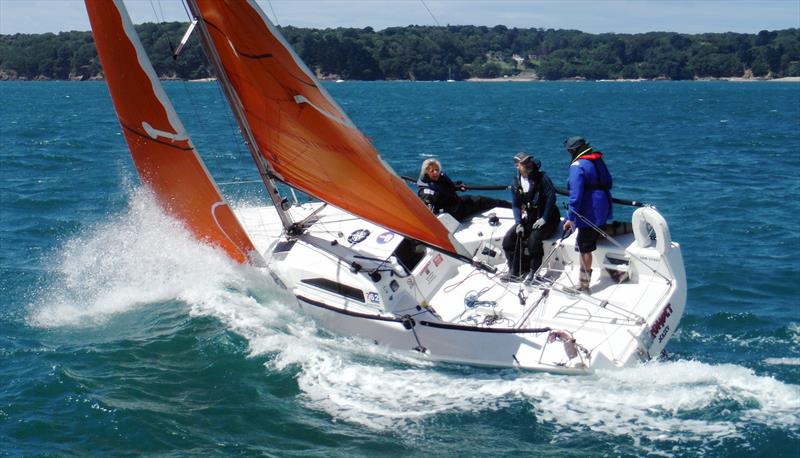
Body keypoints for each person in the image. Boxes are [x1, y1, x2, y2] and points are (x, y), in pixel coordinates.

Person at [562, 136, 613, 292]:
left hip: (589, 211)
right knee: (594, 235)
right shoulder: (597, 160)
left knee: (584, 246)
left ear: (572, 150)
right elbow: (609, 182)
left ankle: (583, 285)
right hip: (603, 205)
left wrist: (570, 218)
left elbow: (575, 196)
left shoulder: (577, 166)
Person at [501, 152, 560, 283]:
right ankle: (515, 271)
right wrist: (518, 223)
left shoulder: (542, 178)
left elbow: (552, 198)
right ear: (517, 166)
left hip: (549, 217)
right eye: (524, 163)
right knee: (509, 240)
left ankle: (534, 272)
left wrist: (544, 218)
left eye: (529, 161)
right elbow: (516, 205)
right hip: (531, 217)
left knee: (534, 240)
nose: (528, 164)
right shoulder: (516, 183)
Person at [417, 158, 510, 221]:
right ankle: (512, 206)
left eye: (437, 169)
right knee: (482, 201)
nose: (436, 172)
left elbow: (448, 187)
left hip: (458, 203)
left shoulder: (440, 178)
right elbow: (428, 213)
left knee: (484, 200)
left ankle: (512, 206)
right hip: (454, 213)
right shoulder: (426, 192)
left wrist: (458, 186)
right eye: (432, 171)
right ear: (426, 172)